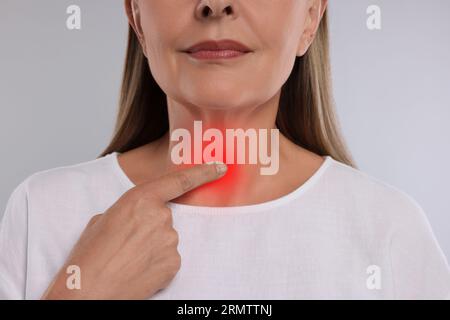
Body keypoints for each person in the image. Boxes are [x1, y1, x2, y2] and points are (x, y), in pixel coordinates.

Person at [1, 0, 449, 299]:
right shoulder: (39, 212)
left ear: (310, 16)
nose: (215, 4)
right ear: (136, 15)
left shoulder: (391, 229)